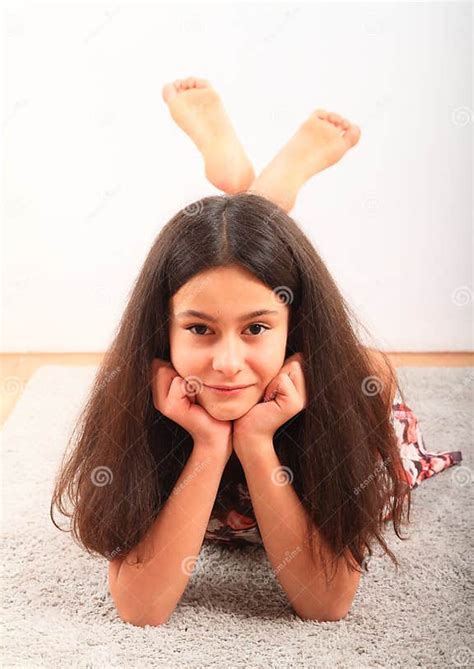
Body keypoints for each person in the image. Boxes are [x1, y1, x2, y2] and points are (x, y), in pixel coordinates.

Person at [50, 77, 463, 627]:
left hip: (328, 400)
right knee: (237, 272)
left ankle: (265, 200)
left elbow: (326, 603)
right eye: (198, 329)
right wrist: (207, 446)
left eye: (256, 329)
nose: (225, 363)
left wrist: (258, 441)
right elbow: (141, 607)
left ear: (294, 332)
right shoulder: (140, 389)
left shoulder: (353, 387)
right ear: (162, 330)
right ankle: (264, 198)